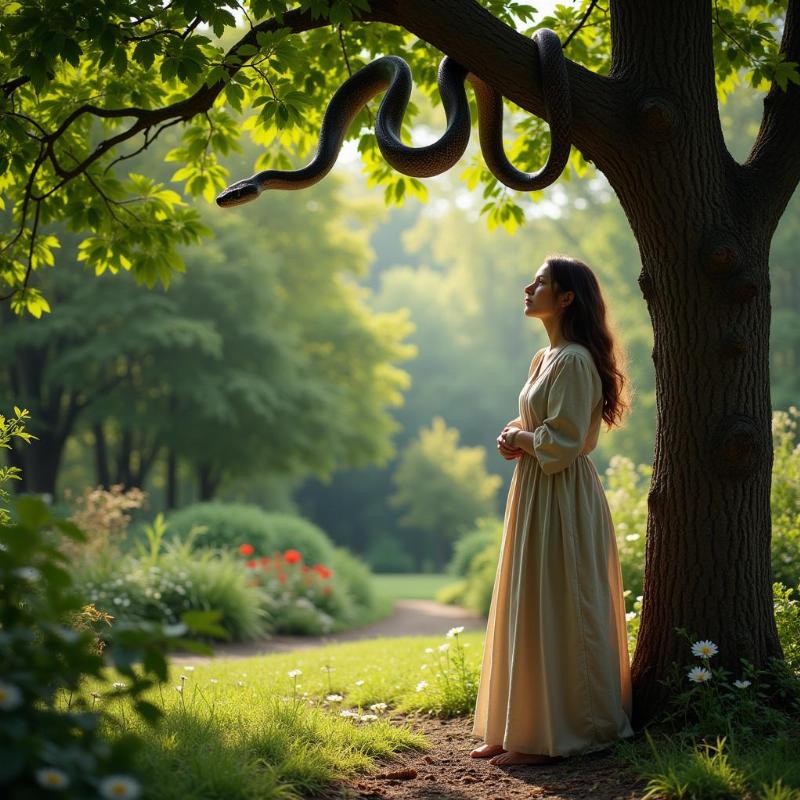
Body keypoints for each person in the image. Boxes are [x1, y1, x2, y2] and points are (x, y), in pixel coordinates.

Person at [469, 254, 635, 766]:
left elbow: (565, 442)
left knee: (559, 605)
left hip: (562, 496)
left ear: (565, 297)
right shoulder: (545, 359)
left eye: (540, 282)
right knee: (529, 602)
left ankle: (561, 733)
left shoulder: (576, 360)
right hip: (538, 492)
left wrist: (525, 437)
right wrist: (514, 436)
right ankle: (519, 726)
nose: (528, 286)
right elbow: (546, 426)